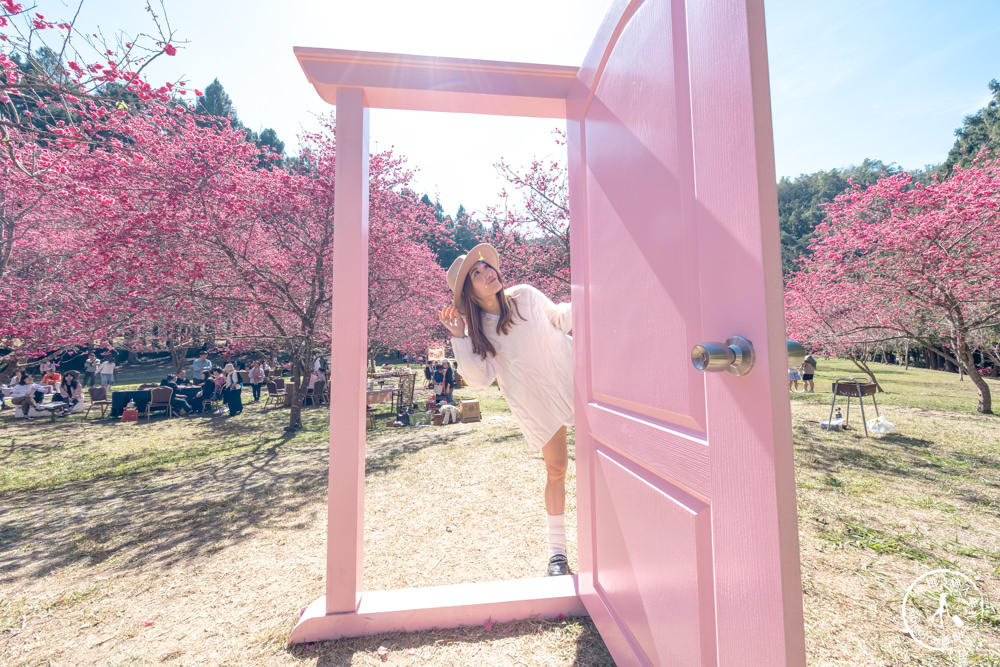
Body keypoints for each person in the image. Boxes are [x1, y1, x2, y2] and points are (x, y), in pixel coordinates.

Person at [438, 243, 573, 577]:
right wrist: (459, 337)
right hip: (537, 402)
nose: (488, 274)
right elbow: (480, 381)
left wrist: (587, 296)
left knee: (603, 461)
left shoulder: (525, 295)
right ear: (468, 290)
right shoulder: (479, 330)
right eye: (477, 274)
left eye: (486, 267)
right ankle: (557, 554)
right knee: (556, 470)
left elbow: (559, 318)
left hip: (574, 377)